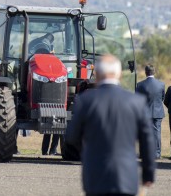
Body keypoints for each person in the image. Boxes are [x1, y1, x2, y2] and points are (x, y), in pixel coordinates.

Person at [65, 55, 155, 195]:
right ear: (119, 74)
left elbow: (71, 136)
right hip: (127, 176)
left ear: (97, 74)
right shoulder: (136, 102)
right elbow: (148, 143)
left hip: (95, 175)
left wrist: (88, 151)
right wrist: (148, 175)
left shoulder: (85, 101)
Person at [135, 64, 165, 159]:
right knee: (157, 133)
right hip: (157, 112)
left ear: (145, 72)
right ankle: (157, 153)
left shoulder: (140, 85)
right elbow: (162, 98)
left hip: (144, 113)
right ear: (154, 72)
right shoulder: (161, 84)